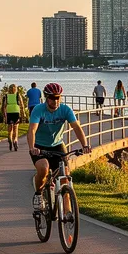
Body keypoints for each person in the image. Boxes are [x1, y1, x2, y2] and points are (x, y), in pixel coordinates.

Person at [27, 82, 90, 214]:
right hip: (39, 146)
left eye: (58, 97)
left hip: (57, 145)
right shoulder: (38, 110)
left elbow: (76, 127)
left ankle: (67, 214)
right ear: (46, 98)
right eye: (52, 97)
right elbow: (32, 130)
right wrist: (32, 147)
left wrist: (85, 145)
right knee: (44, 168)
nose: (56, 101)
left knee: (65, 176)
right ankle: (39, 193)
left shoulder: (65, 109)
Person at [2, 83, 25, 151]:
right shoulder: (18, 95)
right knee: (15, 128)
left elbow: (4, 105)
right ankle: (15, 140)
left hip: (9, 112)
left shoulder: (6, 96)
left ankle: (10, 139)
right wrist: (23, 113)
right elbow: (22, 105)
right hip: (16, 112)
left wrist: (4, 114)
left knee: (10, 129)